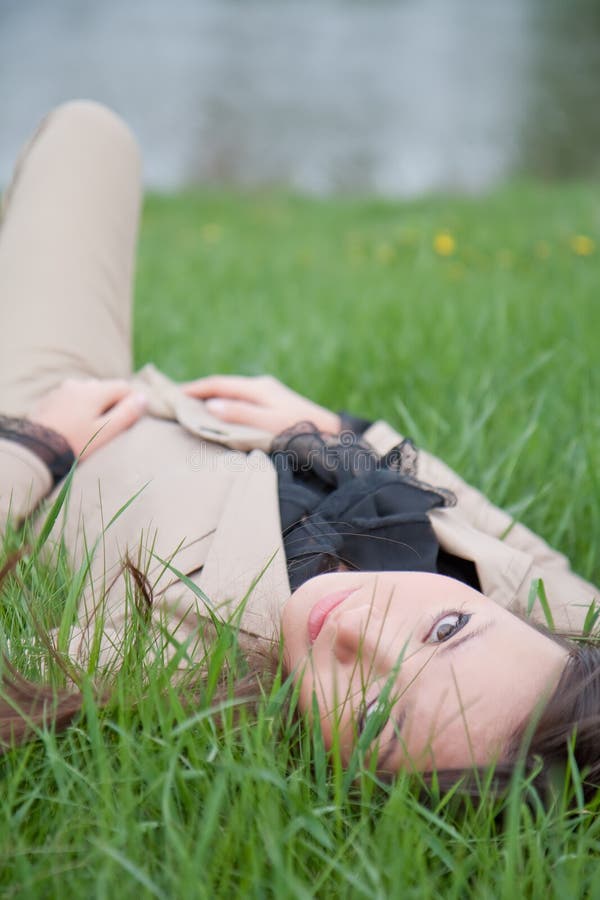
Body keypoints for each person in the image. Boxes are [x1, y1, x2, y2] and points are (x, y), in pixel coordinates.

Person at [1, 100, 599, 794]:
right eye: (445, 630)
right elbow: (528, 554)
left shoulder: (164, 664)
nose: (358, 631)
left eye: (381, 717)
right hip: (180, 408)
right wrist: (342, 437)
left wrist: (33, 447)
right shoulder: (562, 648)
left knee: (84, 134)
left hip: (47, 409)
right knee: (94, 134)